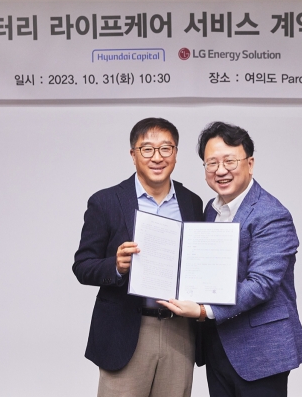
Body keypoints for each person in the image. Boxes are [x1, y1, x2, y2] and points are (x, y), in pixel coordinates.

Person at [158, 121, 302, 397]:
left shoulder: (271, 214)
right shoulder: (211, 209)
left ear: (249, 164)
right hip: (218, 346)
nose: (220, 170)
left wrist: (204, 311)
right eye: (211, 163)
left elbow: (262, 283)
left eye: (230, 161)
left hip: (261, 351)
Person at [72, 118, 204, 397]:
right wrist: (116, 266)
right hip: (125, 330)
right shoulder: (106, 201)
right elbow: (82, 266)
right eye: (147, 149)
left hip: (179, 329)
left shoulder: (192, 202)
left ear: (176, 154)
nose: (157, 157)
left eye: (166, 148)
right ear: (133, 155)